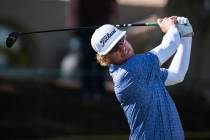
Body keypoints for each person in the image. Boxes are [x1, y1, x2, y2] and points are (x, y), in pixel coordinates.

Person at [90, 16, 193, 139]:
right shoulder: (130, 71)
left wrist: (186, 35)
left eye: (121, 40)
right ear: (105, 58)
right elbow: (170, 44)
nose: (123, 48)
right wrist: (170, 27)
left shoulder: (144, 72)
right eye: (114, 48)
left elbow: (177, 75)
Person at [64, 0, 119, 99]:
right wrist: (72, 23)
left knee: (103, 59)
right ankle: (86, 89)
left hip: (103, 28)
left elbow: (113, 5)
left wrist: (116, 19)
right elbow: (73, 5)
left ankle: (100, 89)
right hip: (85, 28)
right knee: (86, 59)